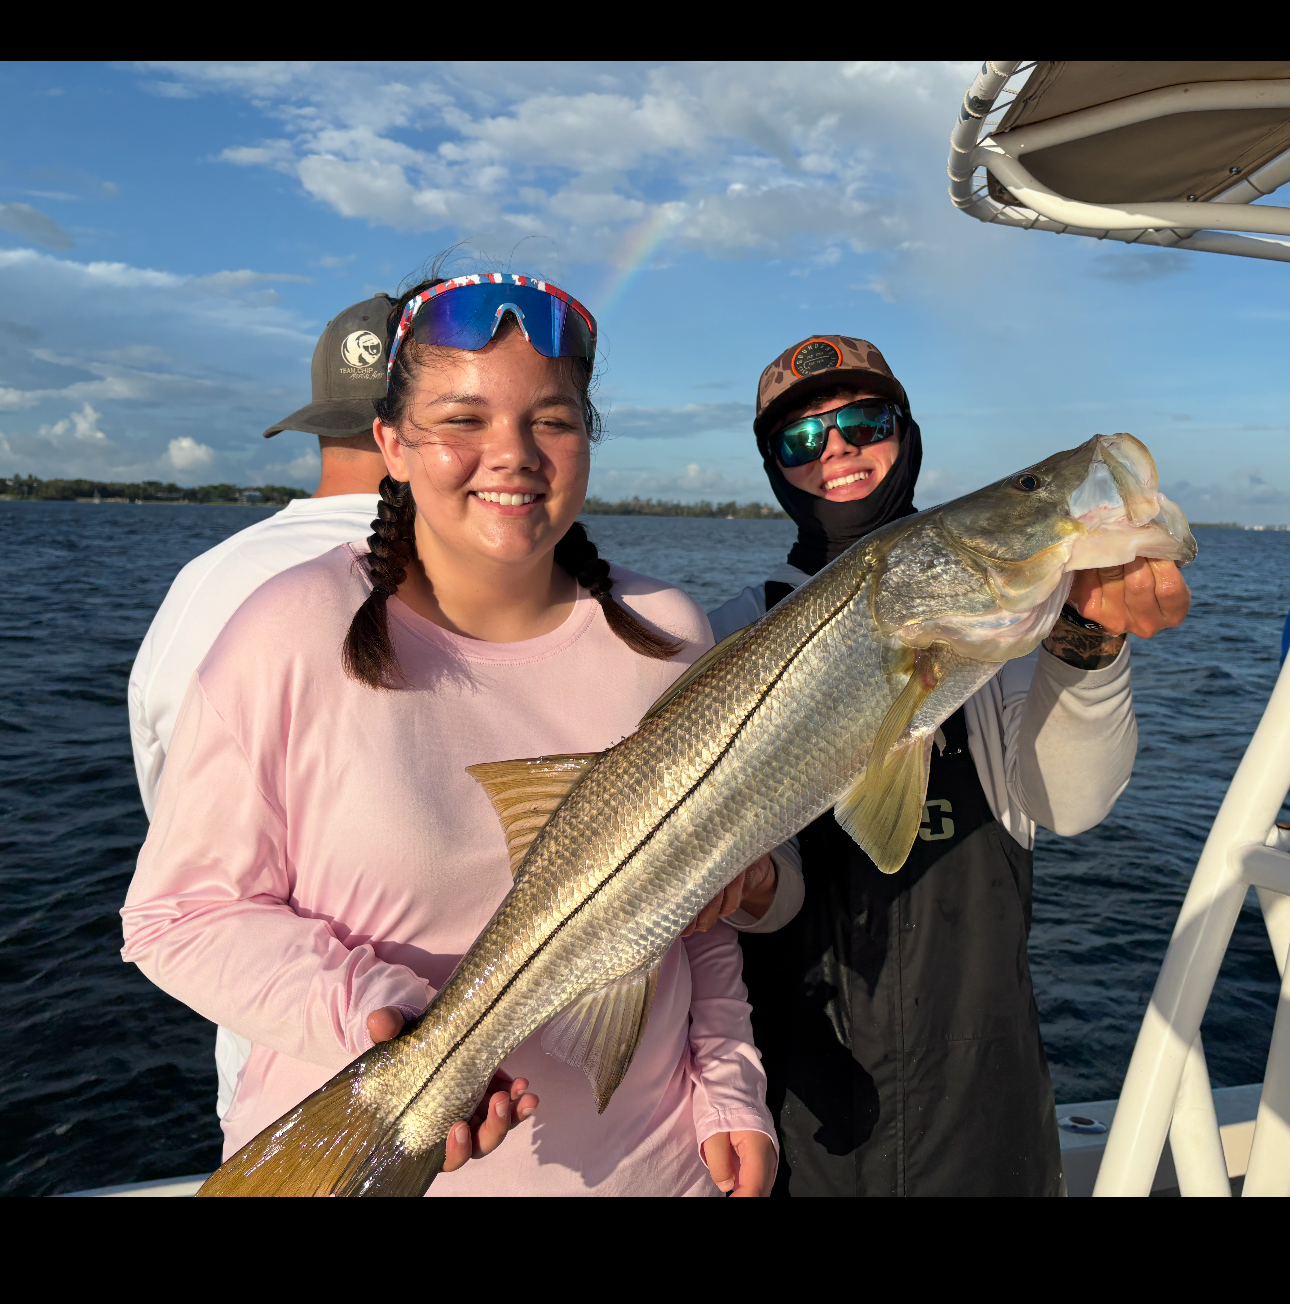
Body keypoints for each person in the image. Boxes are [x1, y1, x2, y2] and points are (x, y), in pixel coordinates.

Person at [121, 275, 787, 1196]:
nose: (511, 455)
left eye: (550, 420)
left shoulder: (665, 631)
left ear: (588, 440)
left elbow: (686, 906)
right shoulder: (286, 626)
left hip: (657, 1169)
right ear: (391, 443)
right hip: (355, 1162)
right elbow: (180, 916)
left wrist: (727, 1087)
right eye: (462, 421)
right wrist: (381, 1018)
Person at [709, 332, 1191, 1198]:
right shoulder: (729, 635)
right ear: (775, 468)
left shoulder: (1004, 642)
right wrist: (741, 887)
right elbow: (755, 887)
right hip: (798, 1110)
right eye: (801, 439)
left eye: (863, 420)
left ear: (908, 431)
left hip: (983, 1116)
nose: (839, 451)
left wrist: (1087, 645)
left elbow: (1068, 802)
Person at [127, 296, 396, 1126]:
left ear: (319, 422)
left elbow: (176, 832)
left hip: (275, 1069)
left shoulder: (208, 582)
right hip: (504, 1071)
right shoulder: (517, 589)